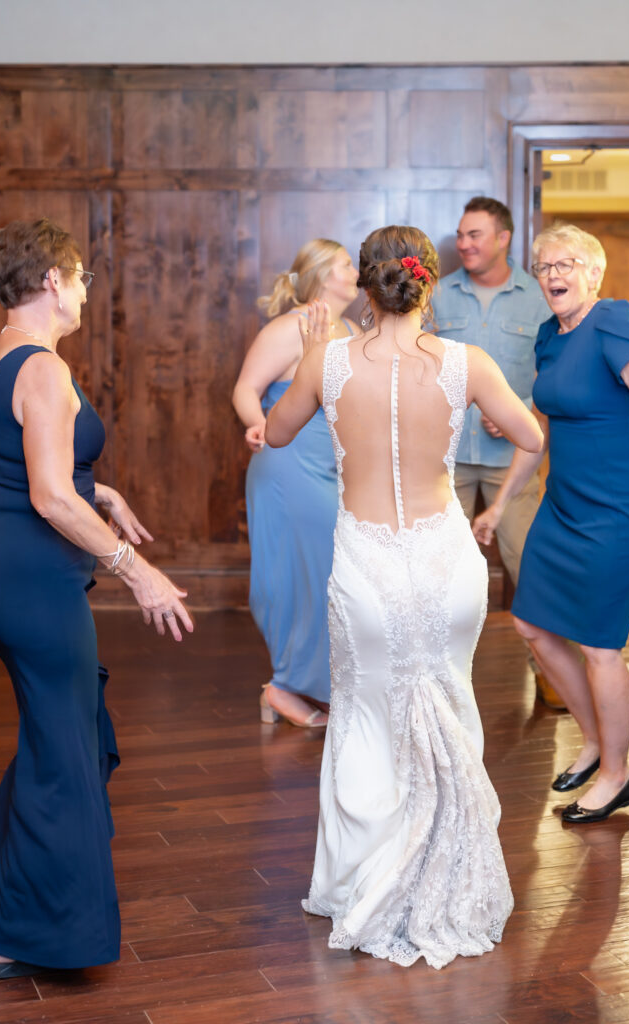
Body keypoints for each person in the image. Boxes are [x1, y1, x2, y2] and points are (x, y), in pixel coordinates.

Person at [264, 226, 543, 967]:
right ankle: (448, 871)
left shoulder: (328, 360)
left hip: (366, 563)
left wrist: (316, 377)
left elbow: (277, 433)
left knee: (368, 712)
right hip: (444, 560)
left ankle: (366, 876)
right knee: (446, 697)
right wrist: (485, 410)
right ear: (426, 283)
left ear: (366, 284)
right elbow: (531, 437)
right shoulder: (466, 363)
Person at [0, 219, 193, 980]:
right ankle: (8, 936)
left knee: (54, 734)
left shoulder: (0, 352)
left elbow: (11, 458)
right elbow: (43, 493)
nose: (84, 291)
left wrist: (97, 489)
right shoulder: (42, 368)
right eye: (80, 277)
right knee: (62, 750)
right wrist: (140, 571)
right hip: (29, 580)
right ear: (51, 282)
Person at [473, 223, 629, 824]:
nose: (553, 274)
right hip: (564, 504)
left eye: (566, 264)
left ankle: (617, 775)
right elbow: (540, 428)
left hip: (618, 507)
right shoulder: (551, 337)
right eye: (544, 266)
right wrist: (500, 506)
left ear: (593, 274)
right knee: (531, 622)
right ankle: (596, 740)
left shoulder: (612, 321)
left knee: (599, 644)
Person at [432, 197, 563, 708]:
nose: (464, 244)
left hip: (517, 463)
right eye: (461, 235)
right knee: (440, 571)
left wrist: (520, 408)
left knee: (531, 566)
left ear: (504, 238)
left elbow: (555, 371)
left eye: (475, 235)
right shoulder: (437, 295)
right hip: (446, 461)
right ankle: (438, 681)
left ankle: (552, 673)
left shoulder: (539, 299)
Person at [232, 239, 358, 728]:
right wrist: (256, 424)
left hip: (328, 467)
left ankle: (314, 683)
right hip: (286, 463)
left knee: (328, 575)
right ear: (326, 275)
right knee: (299, 575)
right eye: (348, 264)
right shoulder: (292, 326)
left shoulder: (349, 329)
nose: (356, 271)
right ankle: (283, 685)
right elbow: (246, 388)